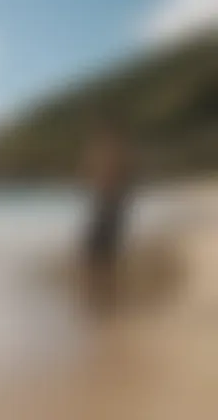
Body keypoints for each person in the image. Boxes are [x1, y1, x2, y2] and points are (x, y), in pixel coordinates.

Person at [80, 112, 136, 309]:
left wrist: (115, 198)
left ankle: (107, 298)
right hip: (106, 206)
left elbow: (117, 181)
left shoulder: (114, 152)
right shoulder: (109, 151)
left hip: (110, 207)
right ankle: (105, 297)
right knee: (98, 253)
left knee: (100, 253)